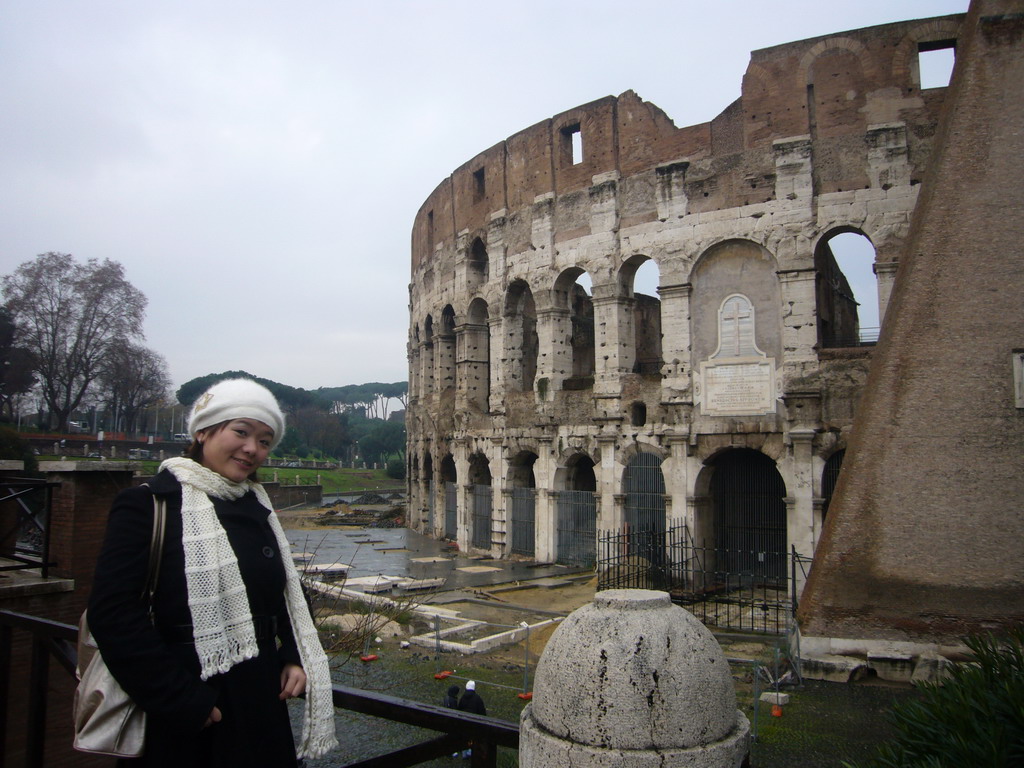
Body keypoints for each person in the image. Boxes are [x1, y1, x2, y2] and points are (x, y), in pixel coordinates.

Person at [87, 379, 338, 767]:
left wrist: (293, 654)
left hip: (259, 702)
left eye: (265, 440)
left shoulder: (258, 507)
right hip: (187, 711)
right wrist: (181, 700)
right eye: (241, 432)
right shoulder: (148, 504)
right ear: (203, 431)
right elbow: (114, 615)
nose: (252, 449)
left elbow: (284, 590)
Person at [457, 680, 487, 758]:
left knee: (465, 737)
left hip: (464, 721)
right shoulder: (477, 698)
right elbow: (482, 711)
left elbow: (459, 709)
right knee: (474, 737)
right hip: (474, 722)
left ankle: (464, 752)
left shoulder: (463, 697)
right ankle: (471, 752)